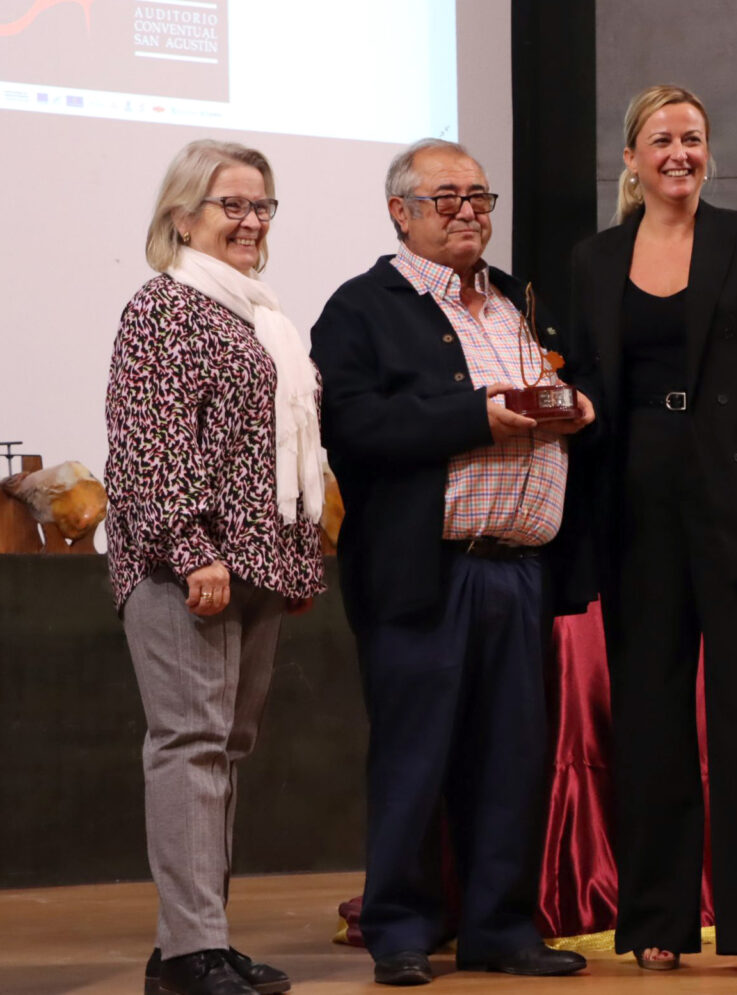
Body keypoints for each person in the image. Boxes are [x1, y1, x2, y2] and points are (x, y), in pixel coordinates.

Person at [311, 138, 594, 987]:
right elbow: (353, 429)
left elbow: (554, 391)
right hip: (425, 568)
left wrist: (575, 407)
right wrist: (478, 417)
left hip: (520, 566)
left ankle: (500, 926)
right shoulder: (361, 307)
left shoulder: (517, 302)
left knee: (512, 756)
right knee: (415, 754)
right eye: (447, 197)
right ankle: (400, 927)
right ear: (400, 212)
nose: (469, 211)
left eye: (480, 196)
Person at [569, 85, 737, 980]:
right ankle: (657, 919)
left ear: (708, 151)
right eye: (661, 139)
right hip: (637, 507)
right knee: (649, 724)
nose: (680, 152)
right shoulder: (595, 259)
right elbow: (586, 381)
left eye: (693, 137)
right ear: (630, 159)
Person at [105, 139, 325, 995]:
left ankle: (191, 946)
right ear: (181, 215)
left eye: (262, 205)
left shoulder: (258, 314)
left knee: (224, 749)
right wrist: (194, 547)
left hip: (258, 565)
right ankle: (194, 949)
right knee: (191, 744)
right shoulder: (164, 307)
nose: (250, 221)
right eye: (231, 204)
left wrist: (291, 559)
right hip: (182, 564)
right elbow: (151, 443)